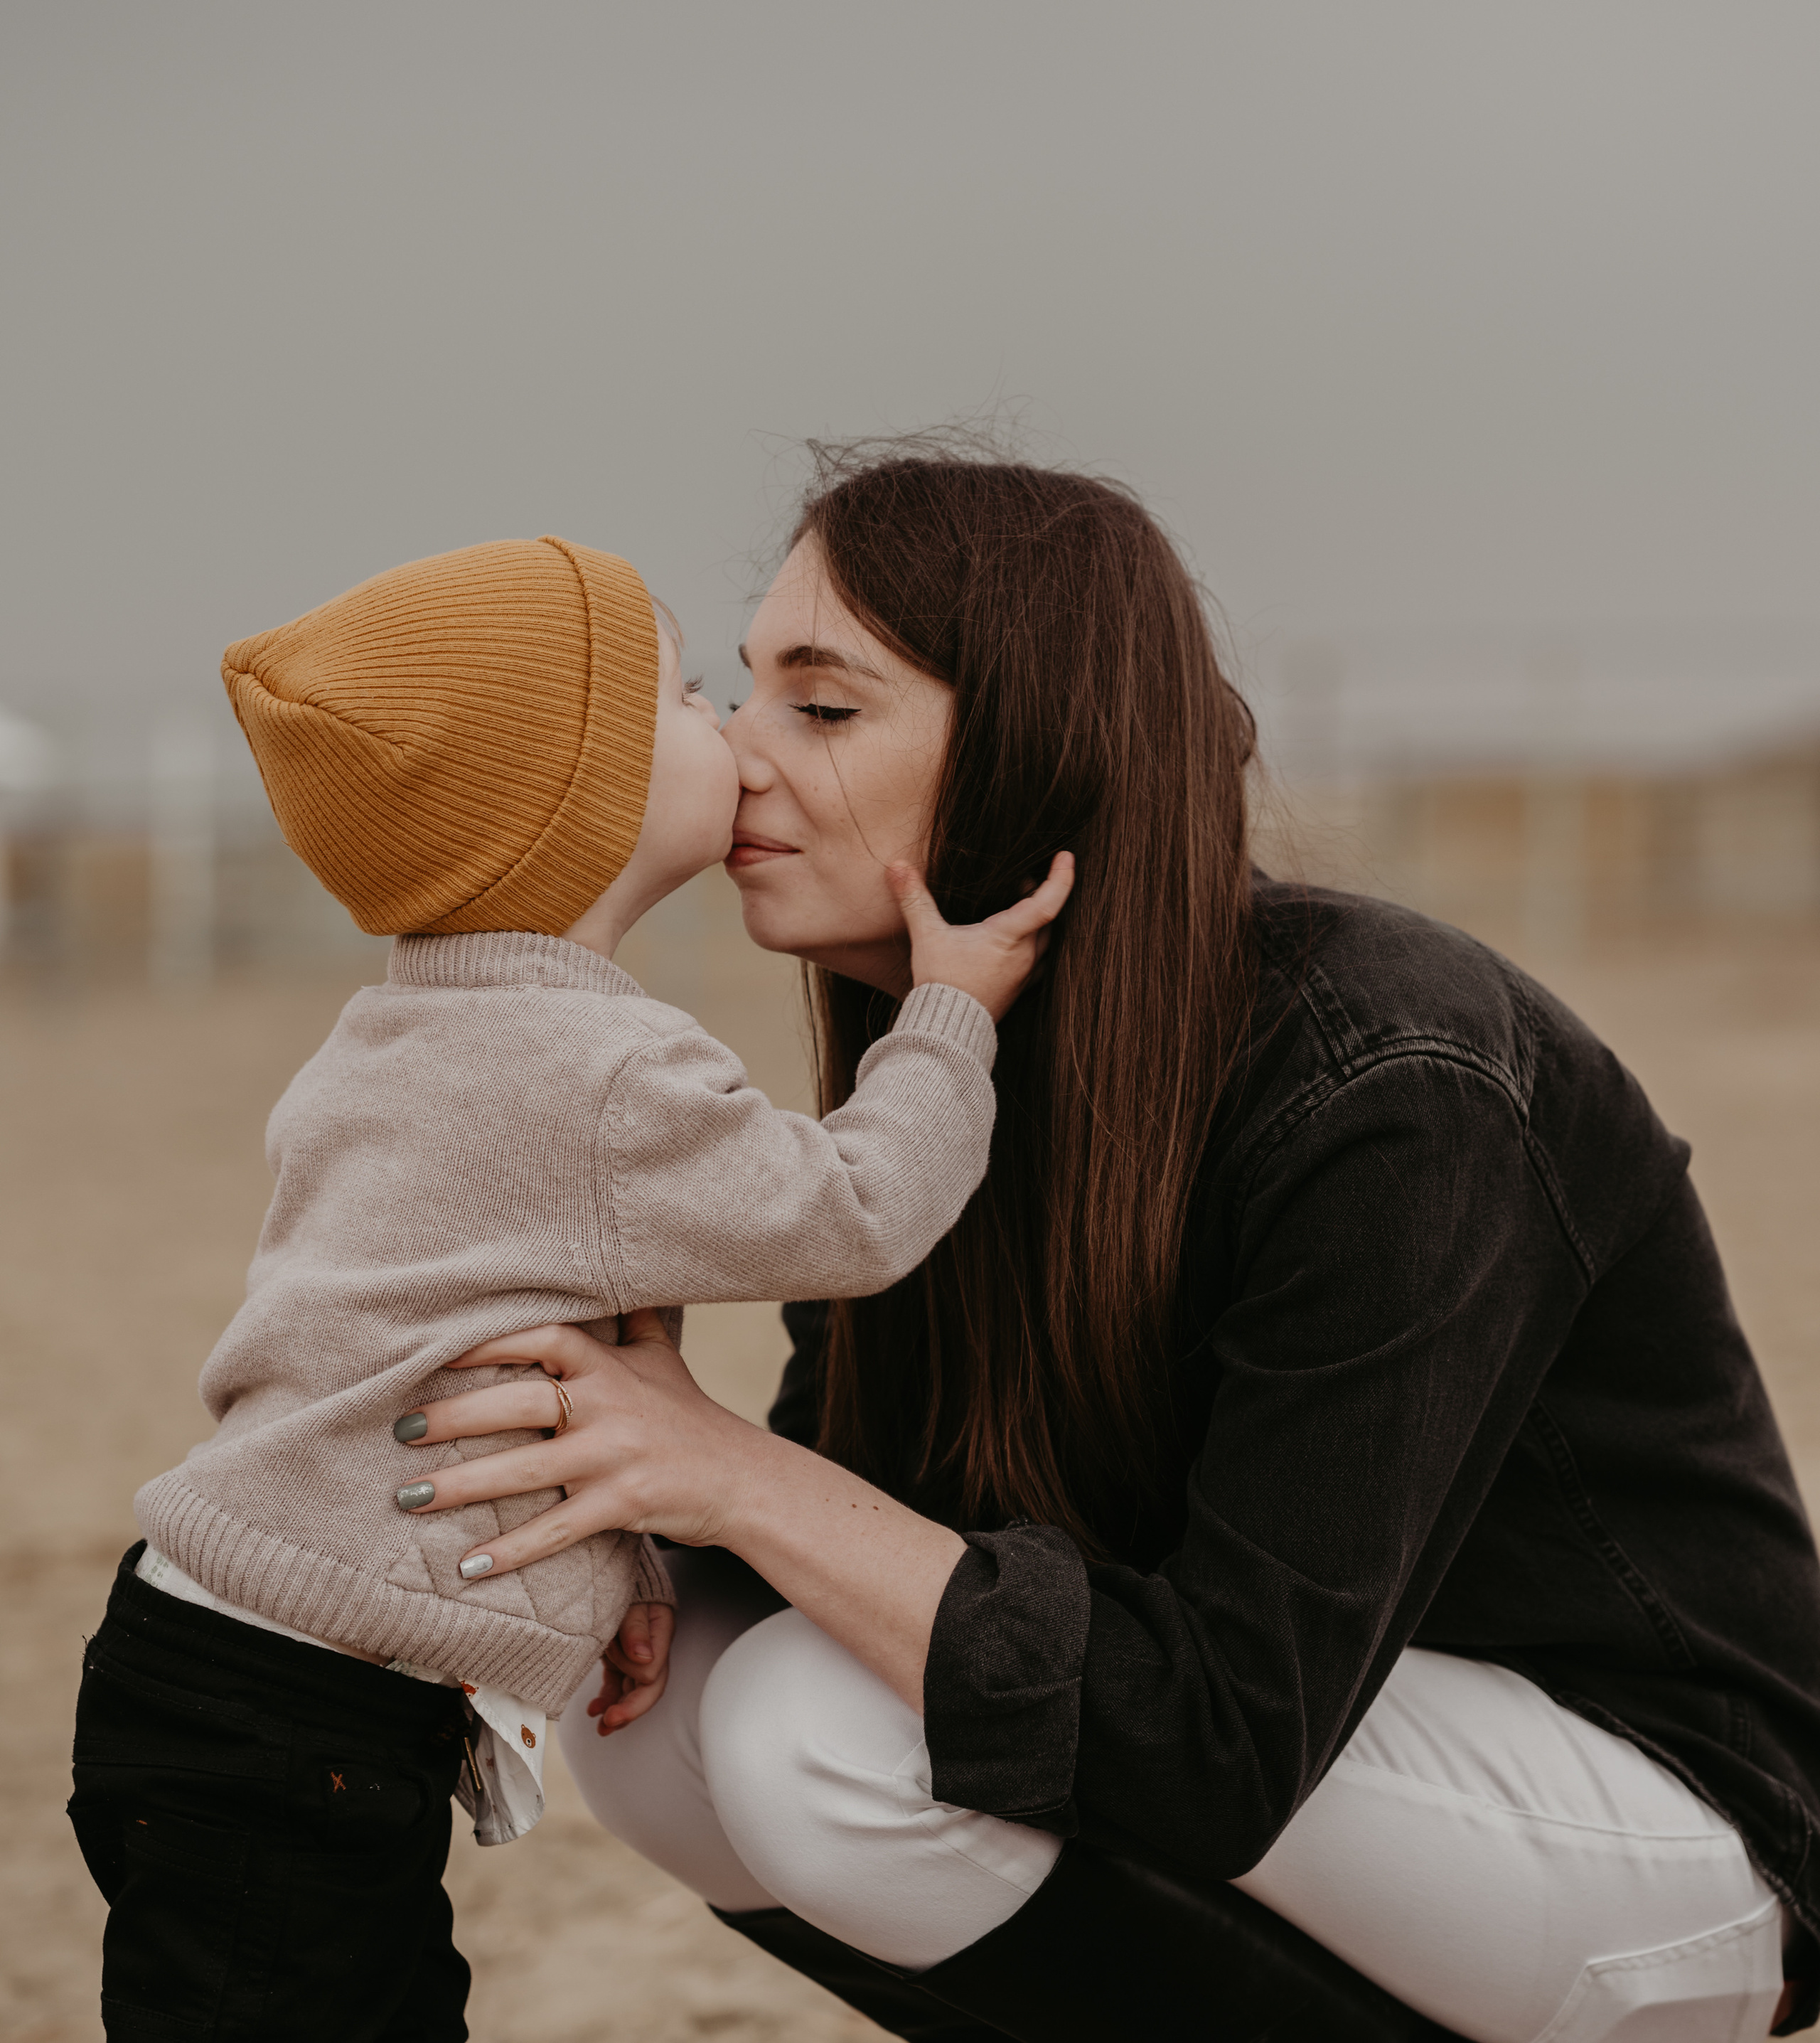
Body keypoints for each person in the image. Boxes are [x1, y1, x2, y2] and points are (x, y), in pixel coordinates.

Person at [405, 452, 1820, 2043]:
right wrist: (642, 1502)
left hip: (1655, 1826)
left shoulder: (1397, 1084)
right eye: (747, 692)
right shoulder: (939, 1071)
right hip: (1285, 1757)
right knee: (661, 1704)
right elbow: (880, 1512)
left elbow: (1221, 1729)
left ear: (1035, 750)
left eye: (824, 706)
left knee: (820, 1738)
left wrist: (726, 1469)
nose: (735, 756)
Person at [66, 533, 1071, 2042]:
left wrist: (622, 1570)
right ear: (569, 801)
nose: (729, 732)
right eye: (678, 697)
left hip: (211, 1670)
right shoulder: (597, 1071)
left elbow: (492, 1347)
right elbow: (855, 1215)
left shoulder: (401, 1039)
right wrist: (945, 1020)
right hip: (298, 1721)